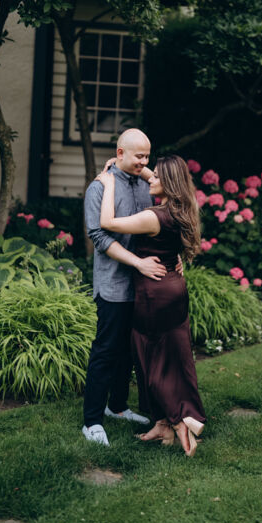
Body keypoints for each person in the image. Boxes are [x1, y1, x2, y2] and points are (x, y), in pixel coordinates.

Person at [97, 154, 206, 457]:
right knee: (173, 358)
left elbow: (107, 223)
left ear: (168, 183)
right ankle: (163, 425)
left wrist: (108, 182)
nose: (149, 178)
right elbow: (159, 179)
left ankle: (179, 420)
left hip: (154, 295)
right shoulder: (182, 209)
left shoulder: (153, 217)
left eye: (156, 176)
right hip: (174, 289)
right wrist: (125, 162)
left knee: (151, 359)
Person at [82, 129, 169, 447]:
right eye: (139, 156)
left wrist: (141, 168)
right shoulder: (99, 186)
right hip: (114, 284)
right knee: (106, 351)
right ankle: (92, 421)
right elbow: (99, 237)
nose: (145, 162)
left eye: (148, 156)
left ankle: (117, 407)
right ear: (120, 153)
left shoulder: (147, 184)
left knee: (129, 352)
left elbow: (167, 188)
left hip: (143, 285)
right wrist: (138, 263)